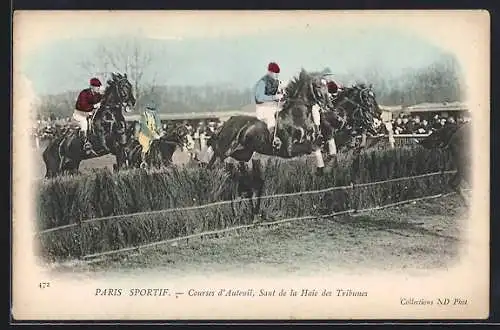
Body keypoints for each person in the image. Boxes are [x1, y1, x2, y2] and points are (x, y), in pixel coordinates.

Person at [254, 62, 284, 150]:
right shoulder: (262, 82)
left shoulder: (277, 82)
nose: (277, 76)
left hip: (273, 106)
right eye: (275, 74)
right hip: (263, 108)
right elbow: (259, 97)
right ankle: (273, 139)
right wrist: (274, 97)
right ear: (270, 72)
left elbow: (279, 95)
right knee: (271, 116)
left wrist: (282, 96)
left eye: (278, 74)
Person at [73, 77, 103, 153]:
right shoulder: (84, 93)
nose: (98, 88)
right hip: (79, 115)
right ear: (92, 87)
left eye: (99, 87)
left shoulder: (97, 95)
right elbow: (83, 106)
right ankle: (85, 143)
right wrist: (94, 106)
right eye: (97, 87)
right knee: (84, 124)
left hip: (89, 115)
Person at [135, 102, 164, 168]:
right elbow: (144, 128)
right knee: (146, 146)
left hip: (155, 134)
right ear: (147, 110)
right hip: (145, 135)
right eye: (151, 110)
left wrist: (161, 131)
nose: (153, 112)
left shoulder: (155, 116)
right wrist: (152, 135)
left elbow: (158, 125)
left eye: (153, 110)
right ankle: (143, 162)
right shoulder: (143, 116)